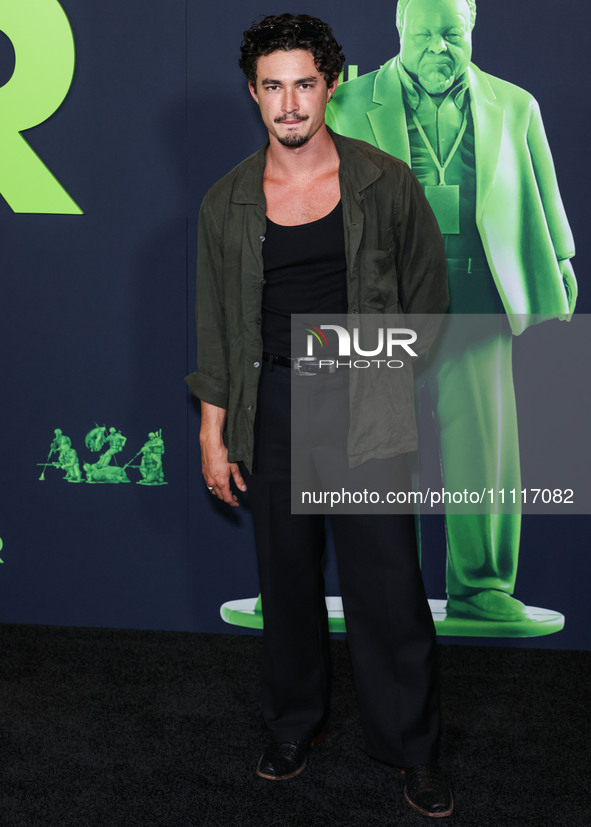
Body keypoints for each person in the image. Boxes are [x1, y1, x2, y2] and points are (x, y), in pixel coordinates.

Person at [186, 14, 453, 818]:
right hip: (269, 404)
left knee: (387, 588)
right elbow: (214, 327)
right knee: (286, 581)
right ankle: (294, 725)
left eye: (304, 83)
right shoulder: (225, 202)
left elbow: (430, 304)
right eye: (273, 85)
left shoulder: (383, 181)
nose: (289, 102)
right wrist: (213, 428)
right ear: (253, 94)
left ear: (329, 86)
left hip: (363, 395)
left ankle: (411, 748)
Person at [326, 0, 576, 622]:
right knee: (383, 450)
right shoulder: (348, 103)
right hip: (384, 301)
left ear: (471, 33)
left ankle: (482, 585)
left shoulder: (514, 105)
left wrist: (564, 260)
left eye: (452, 33)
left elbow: (542, 188)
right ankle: (386, 583)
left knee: (484, 447)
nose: (440, 47)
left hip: (476, 298)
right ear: (399, 30)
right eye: (426, 33)